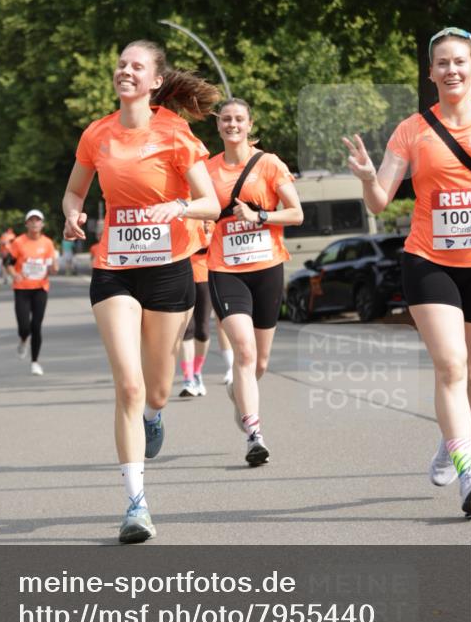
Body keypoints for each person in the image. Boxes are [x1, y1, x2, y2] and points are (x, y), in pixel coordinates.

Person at [62, 40, 221, 544]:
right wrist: (71, 214)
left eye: (137, 66)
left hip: (170, 269)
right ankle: (136, 505)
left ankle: (155, 415)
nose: (125, 71)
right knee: (127, 386)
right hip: (115, 269)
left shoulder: (175, 133)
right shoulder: (97, 134)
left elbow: (211, 203)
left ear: (155, 81)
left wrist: (178, 208)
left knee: (154, 390)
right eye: (121, 64)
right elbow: (74, 190)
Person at [344, 27, 471, 517]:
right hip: (429, 260)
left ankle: (450, 442)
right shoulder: (411, 129)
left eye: (459, 62)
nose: (451, 70)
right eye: (442, 63)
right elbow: (381, 198)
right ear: (431, 73)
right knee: (450, 366)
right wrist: (368, 179)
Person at [206, 98, 303, 466]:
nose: (232, 125)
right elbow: (198, 207)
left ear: (249, 124)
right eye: (226, 119)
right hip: (225, 270)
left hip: (266, 269)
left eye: (239, 119)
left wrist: (259, 215)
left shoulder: (269, 164)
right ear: (218, 126)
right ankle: (254, 434)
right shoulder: (207, 169)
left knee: (259, 362)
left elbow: (296, 213)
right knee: (243, 351)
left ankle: (239, 393)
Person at [6, 210, 58, 376]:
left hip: (40, 289)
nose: (35, 223)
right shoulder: (18, 242)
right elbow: (8, 263)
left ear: (42, 224)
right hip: (22, 289)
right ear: (26, 224)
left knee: (36, 326)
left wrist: (54, 267)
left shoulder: (48, 243)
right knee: (24, 327)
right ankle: (23, 340)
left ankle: (35, 361)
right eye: (31, 220)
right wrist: (15, 274)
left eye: (38, 220)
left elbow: (52, 266)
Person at [178, 224, 213, 398]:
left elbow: (212, 243)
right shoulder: (178, 213)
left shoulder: (210, 215)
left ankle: (197, 372)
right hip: (181, 276)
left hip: (206, 276)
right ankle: (188, 378)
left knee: (203, 330)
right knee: (186, 329)